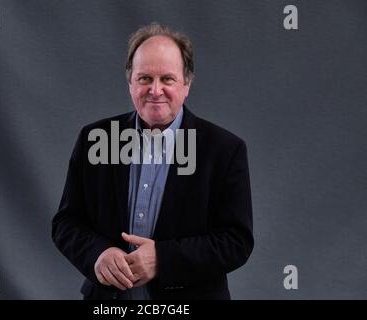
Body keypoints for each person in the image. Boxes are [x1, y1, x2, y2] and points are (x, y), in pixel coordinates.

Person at [52, 23, 253, 300]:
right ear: (130, 83)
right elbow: (66, 222)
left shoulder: (224, 150)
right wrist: (98, 253)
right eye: (145, 78)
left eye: (167, 79)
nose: (155, 90)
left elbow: (236, 242)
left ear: (187, 84)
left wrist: (163, 259)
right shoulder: (94, 138)